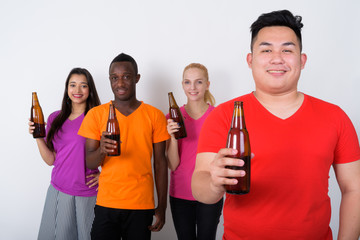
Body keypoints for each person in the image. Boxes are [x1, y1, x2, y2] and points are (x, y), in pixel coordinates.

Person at [192, 9, 360, 240]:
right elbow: (200, 188)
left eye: (287, 50)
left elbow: (354, 188)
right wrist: (214, 182)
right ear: (250, 60)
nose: (277, 58)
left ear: (302, 60)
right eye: (267, 49)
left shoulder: (335, 117)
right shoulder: (224, 115)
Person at [78, 53, 169, 240]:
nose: (120, 83)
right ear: (110, 80)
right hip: (106, 203)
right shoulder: (96, 115)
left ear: (137, 78)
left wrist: (162, 207)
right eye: (115, 78)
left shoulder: (154, 115)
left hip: (141, 205)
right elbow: (90, 162)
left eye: (126, 77)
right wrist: (102, 150)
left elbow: (160, 163)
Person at [29, 68, 101, 240]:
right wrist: (38, 138)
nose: (77, 90)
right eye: (72, 85)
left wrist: (105, 175)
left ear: (90, 90)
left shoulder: (98, 118)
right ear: (66, 88)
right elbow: (51, 160)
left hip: (87, 192)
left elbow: (114, 149)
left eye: (83, 86)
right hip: (58, 191)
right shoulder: (55, 118)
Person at [166, 63, 223, 240]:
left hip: (210, 191)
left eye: (198, 82)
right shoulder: (172, 117)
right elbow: (173, 165)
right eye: (187, 82)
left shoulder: (218, 116)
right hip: (180, 193)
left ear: (207, 84)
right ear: (182, 85)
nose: (193, 87)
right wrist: (173, 138)